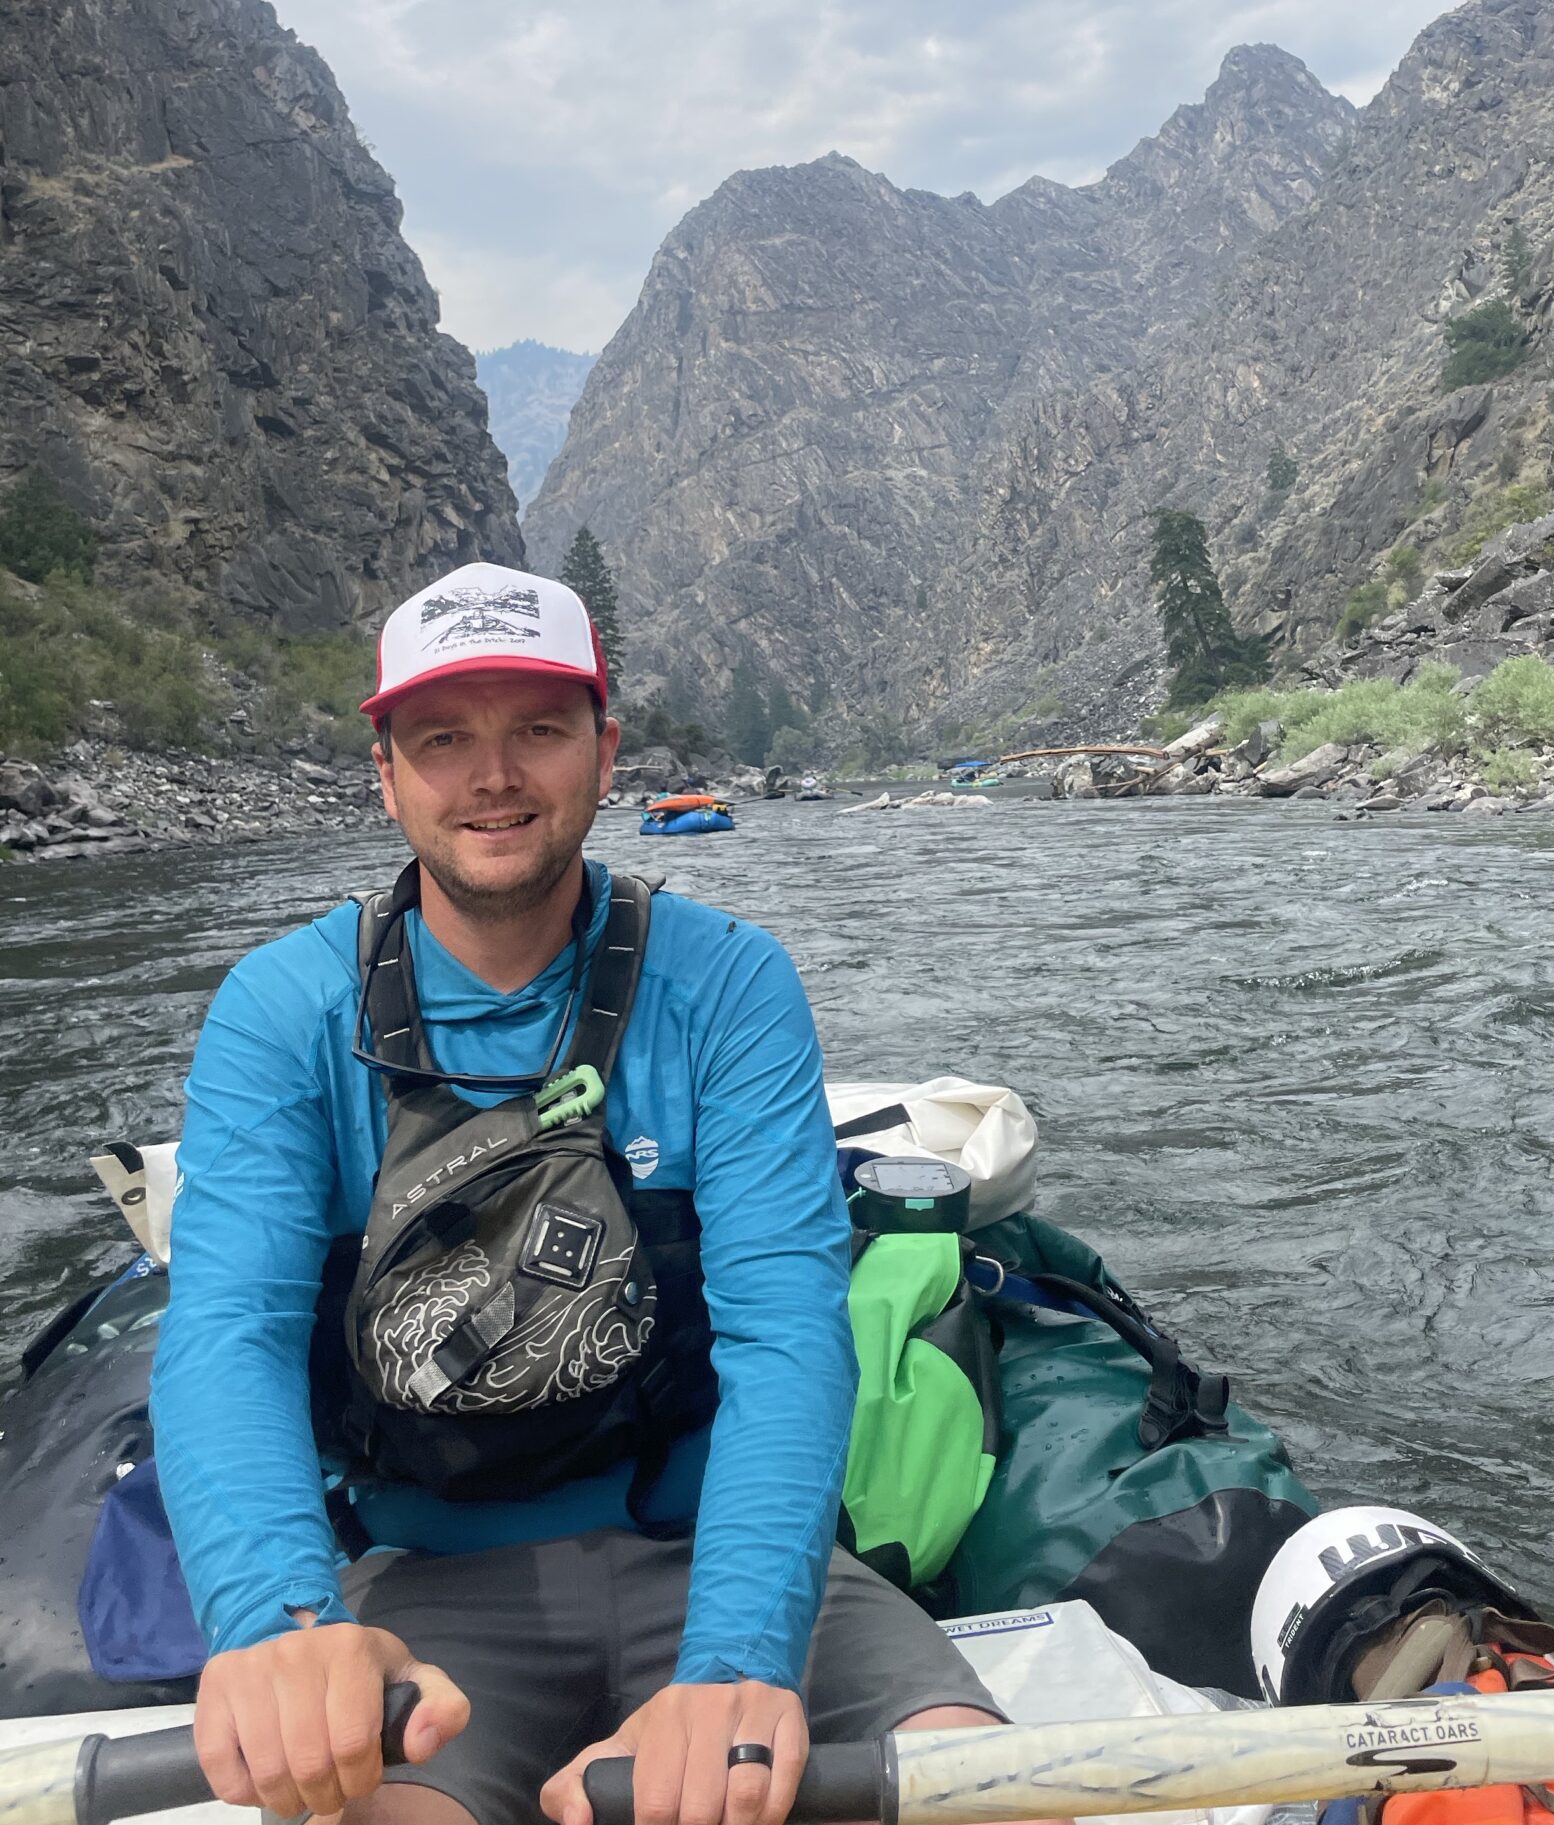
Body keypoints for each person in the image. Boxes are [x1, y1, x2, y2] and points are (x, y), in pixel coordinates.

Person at [150, 562, 1009, 1825]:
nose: (494, 776)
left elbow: (785, 1328)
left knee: (985, 1791)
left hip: (712, 1553)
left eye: (540, 730)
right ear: (386, 773)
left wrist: (738, 1661)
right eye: (444, 739)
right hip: (433, 1588)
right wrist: (281, 1621)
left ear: (605, 754)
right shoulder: (283, 1011)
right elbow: (230, 1331)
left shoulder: (730, 984)